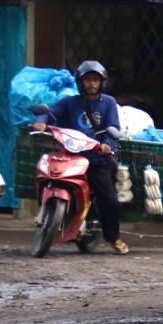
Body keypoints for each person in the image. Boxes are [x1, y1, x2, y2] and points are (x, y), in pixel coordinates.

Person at [34, 60, 128, 254]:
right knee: (46, 176)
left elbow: (113, 128)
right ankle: (52, 217)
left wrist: (106, 145)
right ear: (80, 82)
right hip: (71, 157)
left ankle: (114, 237)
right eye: (87, 80)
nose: (92, 83)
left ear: (102, 82)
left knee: (110, 201)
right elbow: (50, 113)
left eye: (95, 80)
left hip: (97, 160)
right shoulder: (70, 101)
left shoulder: (109, 102)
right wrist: (41, 121)